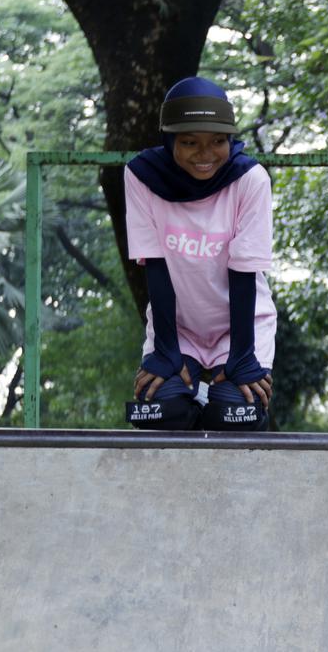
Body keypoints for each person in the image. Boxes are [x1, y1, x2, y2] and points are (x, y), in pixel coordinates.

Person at [123, 77, 277, 431]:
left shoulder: (251, 180)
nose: (205, 155)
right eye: (190, 142)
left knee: (235, 418)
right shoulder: (141, 176)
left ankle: (212, 399)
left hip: (242, 327)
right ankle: (192, 395)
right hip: (178, 327)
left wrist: (241, 359)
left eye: (218, 142)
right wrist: (165, 352)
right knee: (163, 414)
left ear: (230, 139)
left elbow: (243, 273)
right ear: (169, 138)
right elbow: (156, 267)